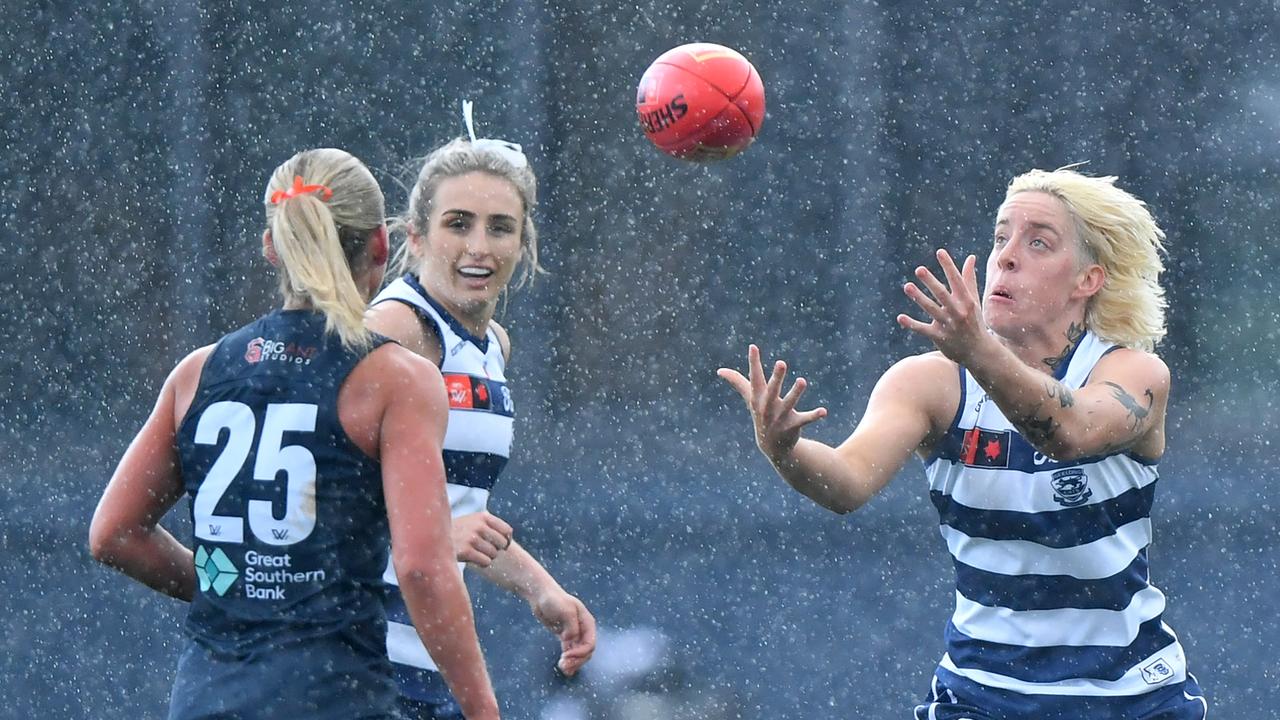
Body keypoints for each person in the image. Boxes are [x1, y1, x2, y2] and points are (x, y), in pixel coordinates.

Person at [719, 167, 1207, 720]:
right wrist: (784, 451)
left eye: (1038, 242)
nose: (1007, 256)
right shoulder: (931, 383)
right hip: (980, 697)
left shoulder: (1134, 372)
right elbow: (846, 483)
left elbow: (1071, 434)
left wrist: (979, 350)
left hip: (1133, 698)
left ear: (1087, 280)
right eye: (1001, 237)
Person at [89, 148, 500, 720]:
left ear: (270, 247)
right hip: (332, 697)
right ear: (382, 247)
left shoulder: (197, 372)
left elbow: (114, 533)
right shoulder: (395, 381)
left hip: (207, 699)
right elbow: (423, 568)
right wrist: (483, 709)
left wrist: (233, 593)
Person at [366, 107, 596, 720]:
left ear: (523, 243)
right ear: (414, 236)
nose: (478, 247)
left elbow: (460, 513)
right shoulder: (395, 328)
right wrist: (436, 536)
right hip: (357, 665)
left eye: (500, 227)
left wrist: (541, 590)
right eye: (457, 224)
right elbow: (307, 500)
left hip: (427, 663)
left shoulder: (493, 343)